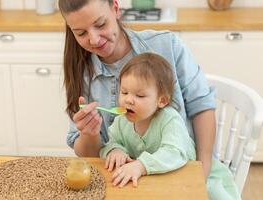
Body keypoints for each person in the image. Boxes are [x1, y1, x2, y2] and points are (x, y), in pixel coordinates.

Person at [58, 0, 216, 179]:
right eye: (81, 33)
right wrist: (89, 134)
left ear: (116, 9)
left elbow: (202, 106)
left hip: (180, 173)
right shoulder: (81, 70)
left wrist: (203, 171)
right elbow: (96, 152)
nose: (94, 39)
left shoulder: (167, 45)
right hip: (123, 179)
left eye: (101, 24)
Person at [100, 52, 241, 200]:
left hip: (190, 175)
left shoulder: (170, 120)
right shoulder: (121, 121)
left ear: (162, 101)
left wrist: (141, 165)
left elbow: (174, 152)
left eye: (140, 96)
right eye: (124, 92)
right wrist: (115, 150)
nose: (128, 100)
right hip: (156, 180)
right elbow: (113, 141)